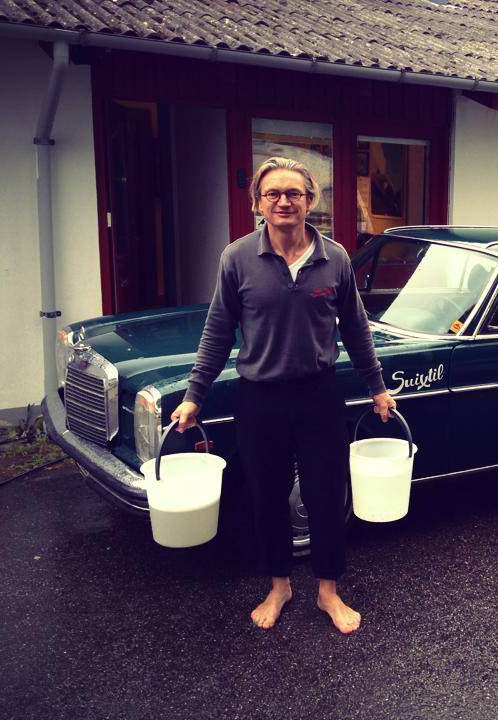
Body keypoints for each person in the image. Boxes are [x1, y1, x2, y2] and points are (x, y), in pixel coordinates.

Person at [170, 156, 395, 633]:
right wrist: (194, 395)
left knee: (326, 493)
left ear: (310, 201)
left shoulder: (335, 258)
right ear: (257, 203)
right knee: (267, 495)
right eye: (272, 193)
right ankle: (279, 586)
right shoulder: (236, 258)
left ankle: (328, 592)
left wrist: (377, 387)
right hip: (260, 398)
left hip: (318, 395)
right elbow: (217, 331)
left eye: (294, 193)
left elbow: (356, 328)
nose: (284, 201)